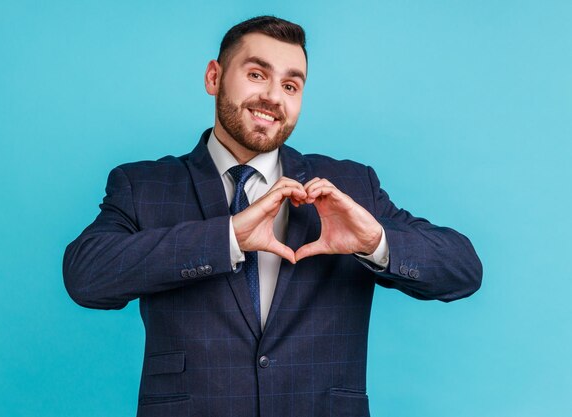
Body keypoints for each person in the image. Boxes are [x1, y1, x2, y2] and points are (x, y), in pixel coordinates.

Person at [63, 15, 482, 417]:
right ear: (214, 77)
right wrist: (227, 238)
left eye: (291, 85)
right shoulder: (144, 186)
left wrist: (375, 242)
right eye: (257, 74)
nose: (273, 98)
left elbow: (463, 269)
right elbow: (85, 276)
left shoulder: (350, 185)